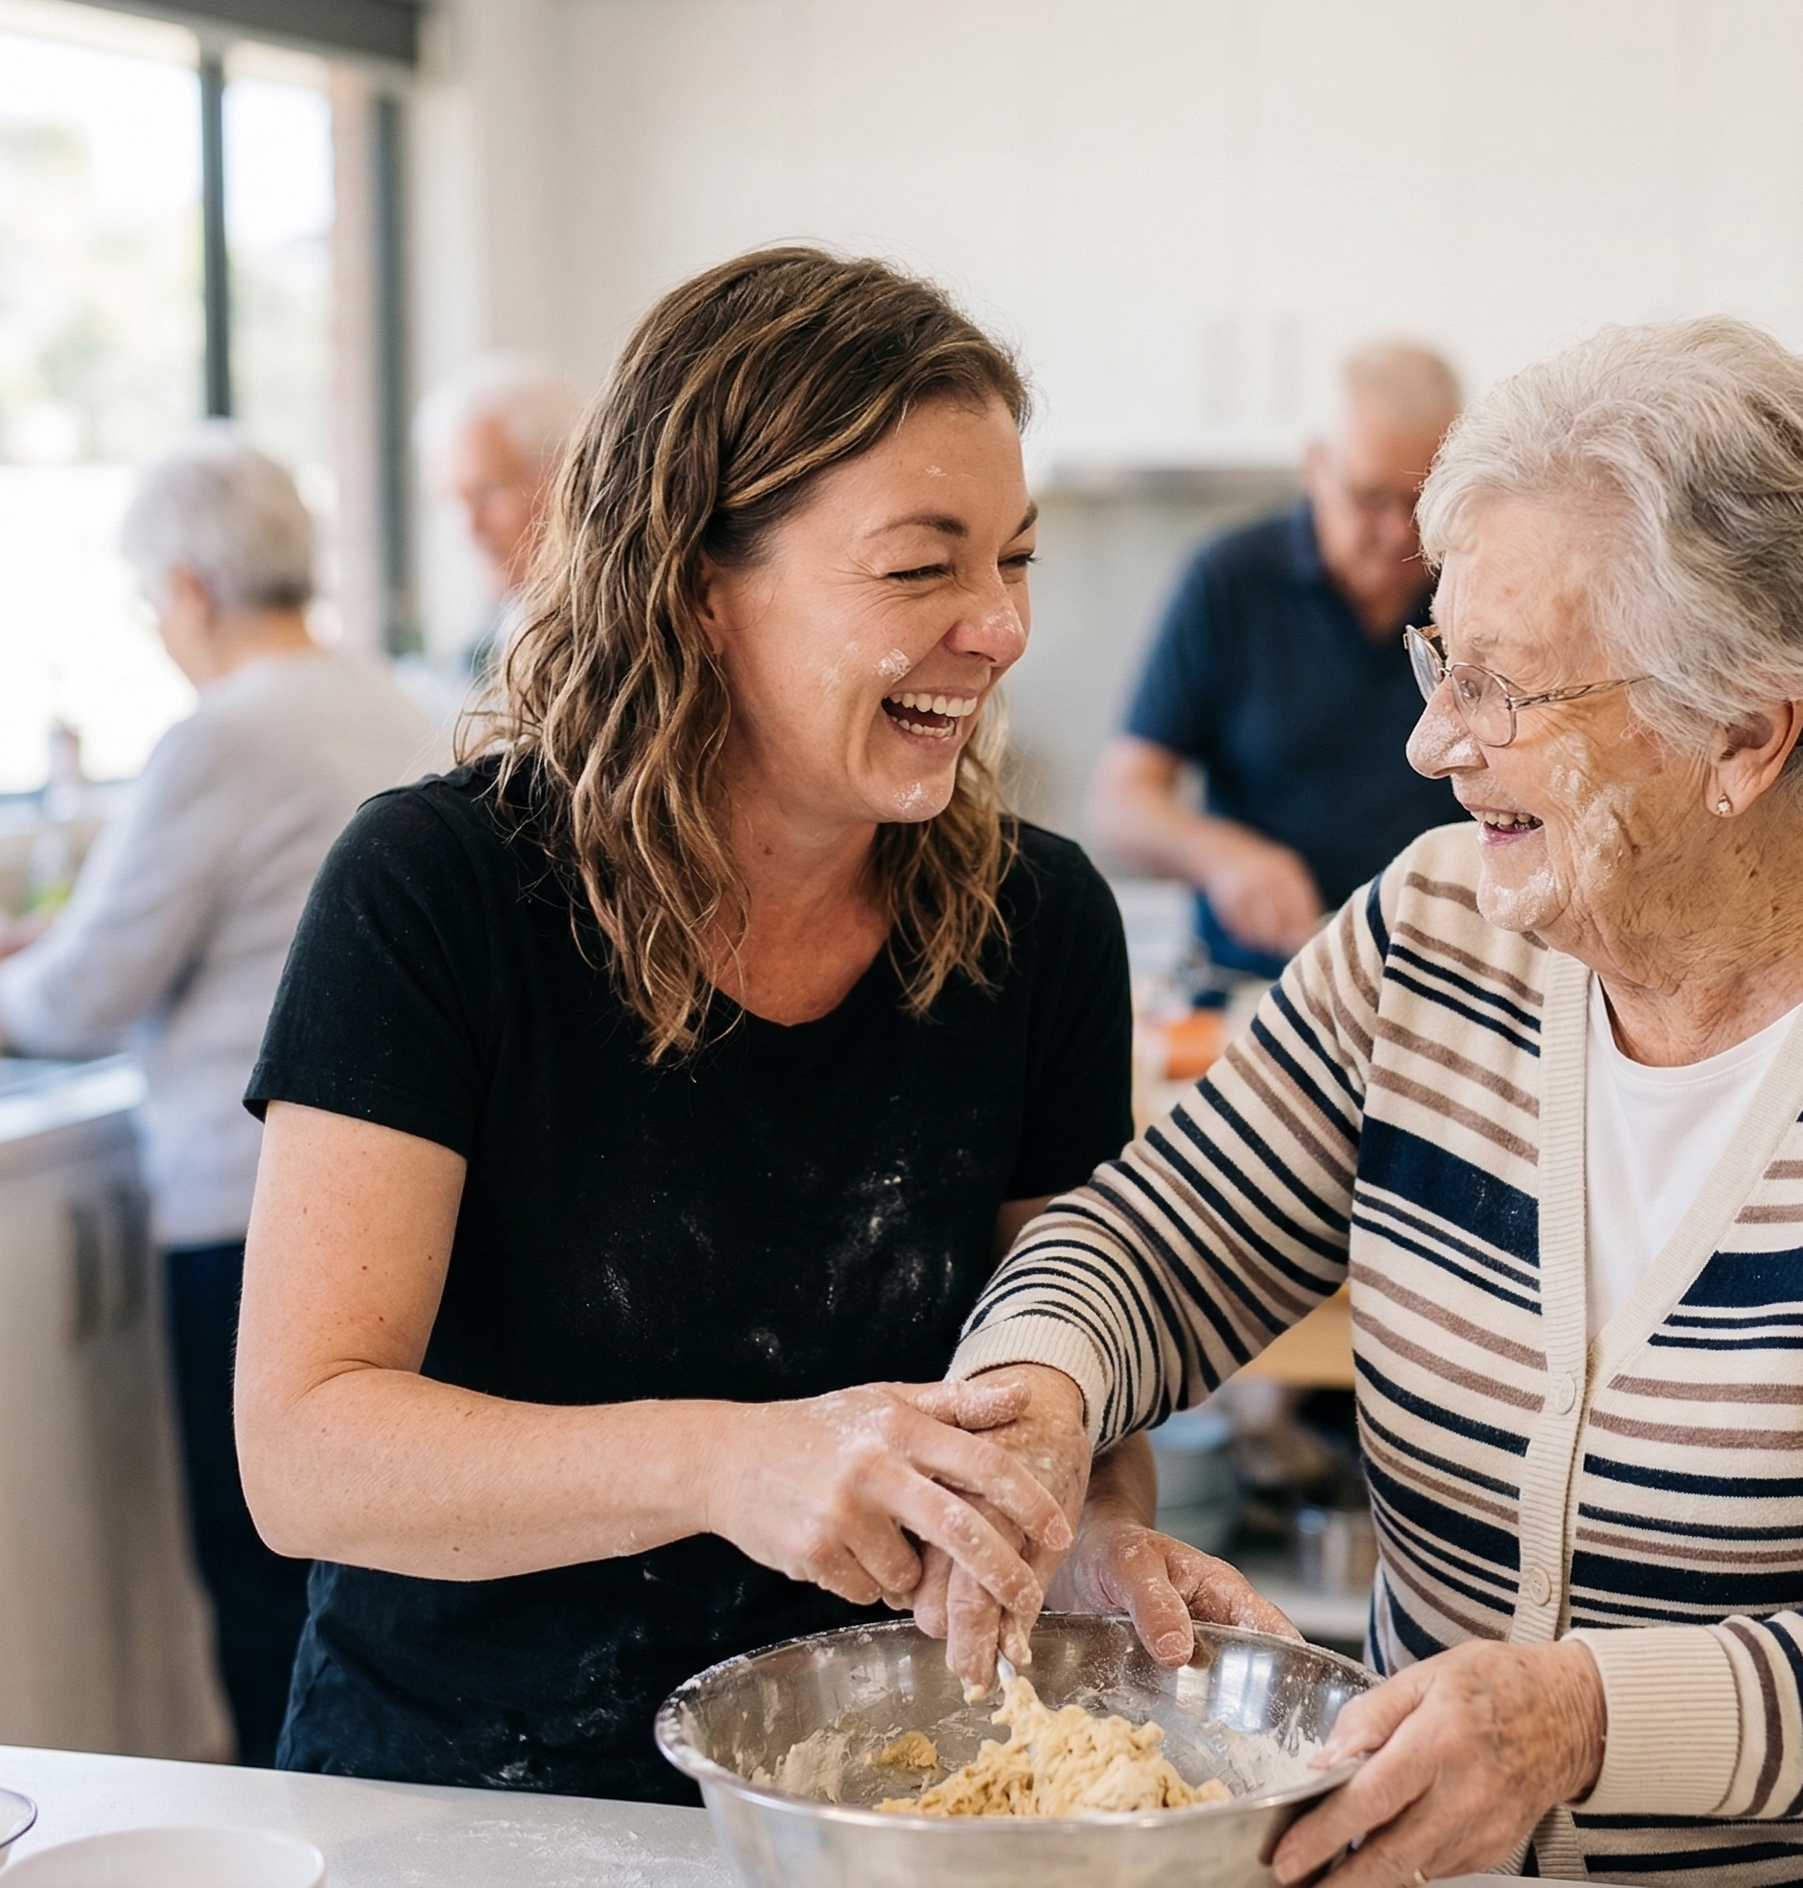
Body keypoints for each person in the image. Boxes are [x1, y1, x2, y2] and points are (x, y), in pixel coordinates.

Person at [929, 319, 1803, 1885]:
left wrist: (1581, 1721)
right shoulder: (1431, 935)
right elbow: (1153, 1243)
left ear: (1745, 732)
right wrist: (1043, 1391)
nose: (1433, 745)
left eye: (1503, 690)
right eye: (1441, 662)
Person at [230, 249, 1286, 1807]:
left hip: (867, 1796)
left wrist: (1083, 1535)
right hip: (460, 1803)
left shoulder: (1038, 922)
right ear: (698, 588)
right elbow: (306, 1455)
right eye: (923, 568)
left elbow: (1062, 1380)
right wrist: (727, 1461)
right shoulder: (441, 891)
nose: (998, 629)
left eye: (1014, 559)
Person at [0, 433, 435, 1766]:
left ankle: (280, 1836)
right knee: (368, 1589)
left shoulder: (224, 733)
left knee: (264, 1596)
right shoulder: (385, 700)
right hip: (415, 1198)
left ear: (188, 590)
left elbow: (83, 994)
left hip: (251, 1215)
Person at [1089, 343, 1464, 977]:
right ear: (1315, 466)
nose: (1401, 535)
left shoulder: (1476, 588)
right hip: (1262, 980)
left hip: (1447, 976)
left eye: (1423, 502)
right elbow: (1120, 804)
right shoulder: (1228, 581)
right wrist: (1224, 855)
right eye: (1372, 498)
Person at [413, 351, 581, 666]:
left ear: (564, 478)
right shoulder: (490, 643)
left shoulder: (617, 633)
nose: (470, 528)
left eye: (487, 492)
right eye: (453, 500)